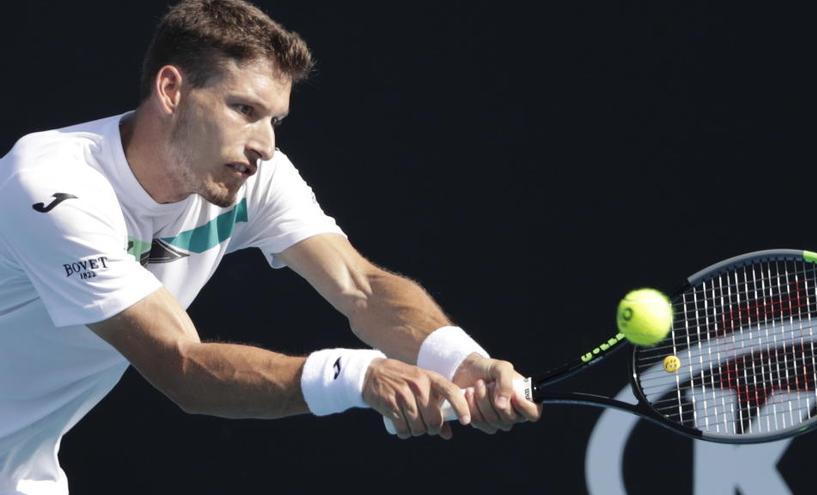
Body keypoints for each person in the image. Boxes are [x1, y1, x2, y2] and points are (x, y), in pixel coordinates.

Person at [0, 0, 540, 493]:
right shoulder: (51, 185)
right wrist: (358, 376)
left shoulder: (251, 175)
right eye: (244, 110)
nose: (265, 143)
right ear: (171, 90)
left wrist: (461, 359)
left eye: (274, 120)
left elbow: (362, 287)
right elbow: (179, 363)